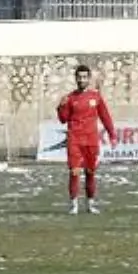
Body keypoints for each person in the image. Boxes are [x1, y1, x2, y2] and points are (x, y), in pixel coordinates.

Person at [56, 65, 117, 215]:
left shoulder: (95, 97)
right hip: (75, 140)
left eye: (84, 77)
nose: (82, 80)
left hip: (91, 140)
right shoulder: (70, 98)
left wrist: (112, 135)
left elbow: (105, 116)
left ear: (88, 79)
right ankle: (74, 205)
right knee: (75, 172)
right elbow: (63, 120)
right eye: (79, 77)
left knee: (90, 172)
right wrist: (61, 107)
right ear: (76, 78)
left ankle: (90, 204)